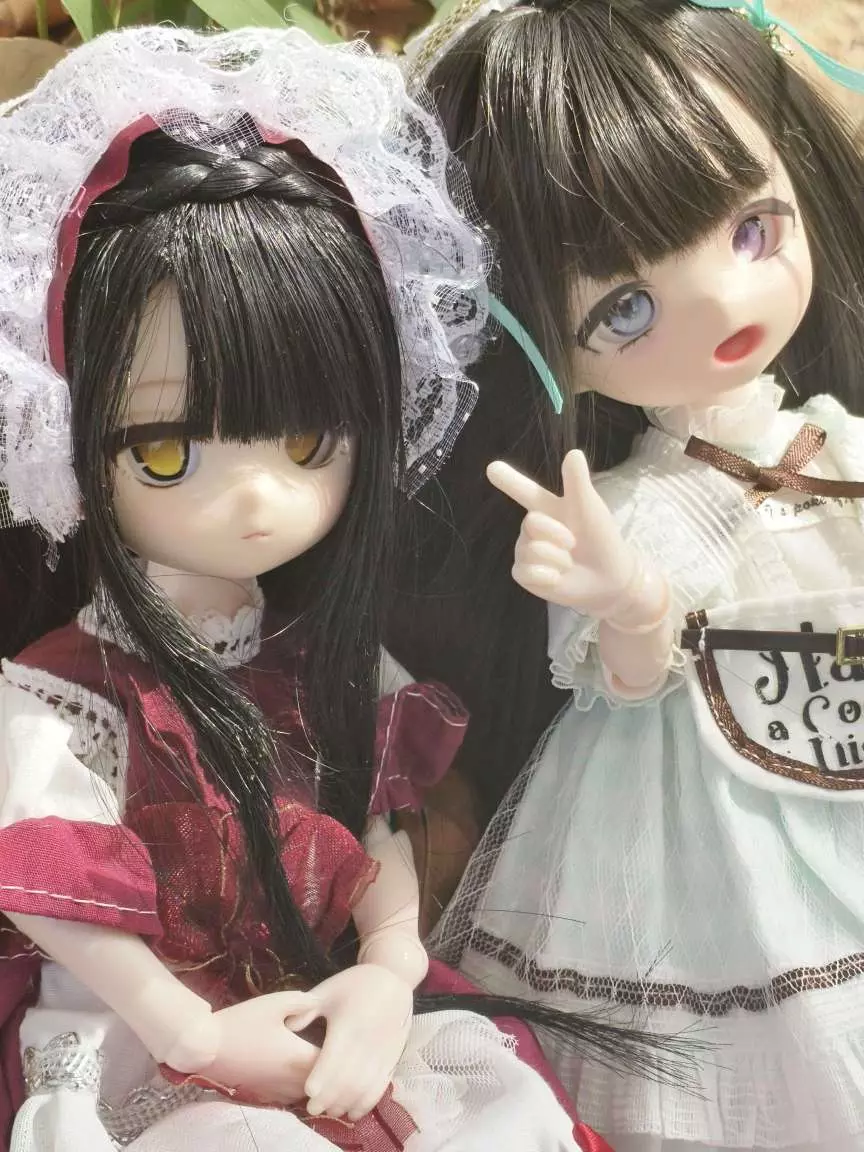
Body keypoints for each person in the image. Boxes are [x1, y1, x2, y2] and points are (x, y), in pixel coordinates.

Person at [0, 25, 624, 1152]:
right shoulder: (60, 699)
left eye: (305, 442)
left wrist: (387, 968)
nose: (256, 502)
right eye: (165, 451)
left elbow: (375, 834)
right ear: (63, 437)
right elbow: (48, 893)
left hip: (318, 998)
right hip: (141, 1030)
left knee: (498, 1105)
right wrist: (190, 1032)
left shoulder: (322, 657)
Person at [414, 3, 864, 1148]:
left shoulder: (833, 440)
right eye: (625, 308)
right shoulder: (635, 505)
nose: (725, 305)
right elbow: (627, 678)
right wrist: (629, 601)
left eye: (754, 228)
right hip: (696, 809)